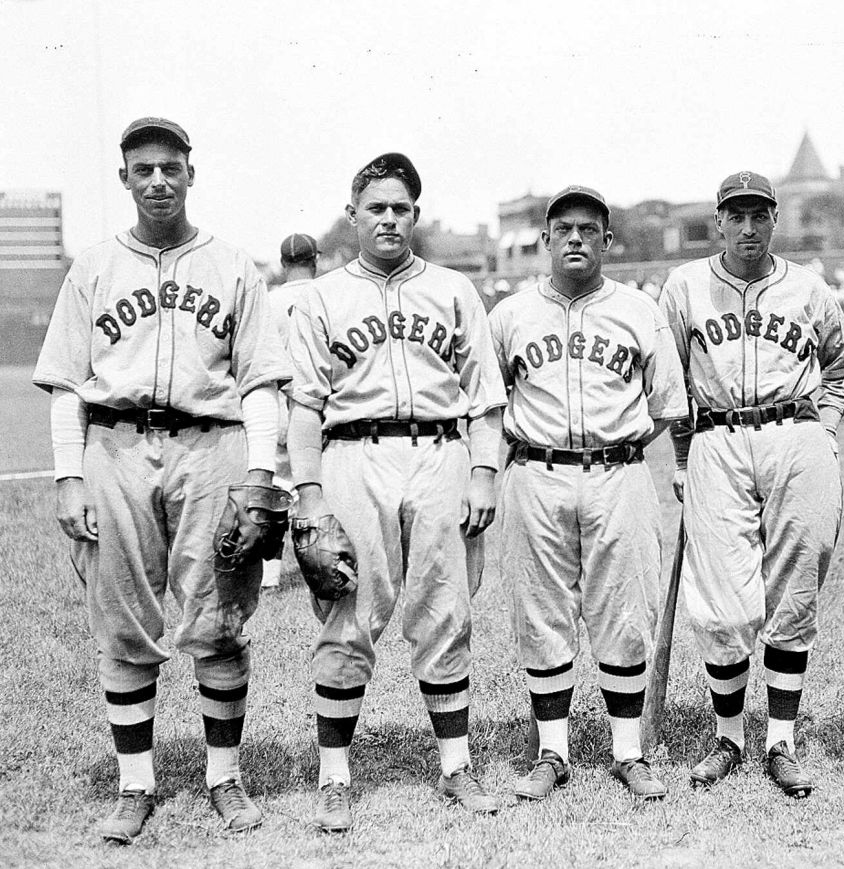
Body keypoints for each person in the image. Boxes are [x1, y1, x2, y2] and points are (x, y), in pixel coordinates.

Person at [32, 117, 291, 842]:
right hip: (113, 444)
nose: (156, 180)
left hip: (212, 447)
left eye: (169, 167)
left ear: (190, 174)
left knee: (218, 615)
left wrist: (259, 479)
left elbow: (263, 381)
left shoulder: (234, 265)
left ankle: (224, 775)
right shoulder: (92, 267)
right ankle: (134, 783)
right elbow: (66, 386)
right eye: (142, 168)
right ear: (124, 178)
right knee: (122, 619)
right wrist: (68, 476)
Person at [285, 153, 507, 831]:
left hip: (442, 452)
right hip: (356, 454)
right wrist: (312, 494)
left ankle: (455, 765)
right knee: (350, 612)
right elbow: (302, 408)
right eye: (376, 207)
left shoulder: (453, 289)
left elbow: (485, 397)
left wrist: (483, 470)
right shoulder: (321, 296)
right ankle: (333, 776)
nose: (388, 218)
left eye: (400, 207)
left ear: (416, 214)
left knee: (445, 609)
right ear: (352, 215)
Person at [658, 171, 844, 797]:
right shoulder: (685, 286)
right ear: (719, 222)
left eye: (759, 215)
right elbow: (671, 380)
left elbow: (841, 363)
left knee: (795, 588)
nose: (748, 228)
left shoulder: (808, 287)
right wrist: (683, 456)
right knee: (723, 599)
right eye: (736, 216)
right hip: (716, 437)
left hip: (794, 435)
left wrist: (824, 430)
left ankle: (780, 738)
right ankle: (729, 736)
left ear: (775, 220)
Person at [490, 186, 687, 802]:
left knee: (625, 608)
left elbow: (665, 405)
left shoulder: (638, 309)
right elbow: (489, 405)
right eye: (564, 229)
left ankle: (628, 751)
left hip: (618, 471)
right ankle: (553, 752)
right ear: (546, 240)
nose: (576, 238)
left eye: (589, 229)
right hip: (535, 472)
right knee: (542, 610)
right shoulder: (510, 315)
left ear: (608, 240)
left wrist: (616, 446)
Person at [260, 233, 319, 589]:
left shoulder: (268, 301)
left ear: (284, 265)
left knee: (277, 493)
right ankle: (325, 566)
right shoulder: (330, 293)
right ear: (315, 260)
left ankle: (269, 577)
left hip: (280, 402)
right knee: (321, 487)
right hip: (320, 405)